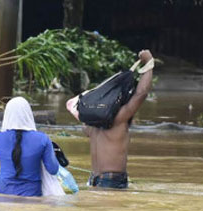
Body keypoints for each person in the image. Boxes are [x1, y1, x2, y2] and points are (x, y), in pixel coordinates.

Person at [66, 49, 154, 189]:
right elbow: (141, 93)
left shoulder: (91, 122)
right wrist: (149, 63)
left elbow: (75, 106)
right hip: (111, 180)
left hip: (94, 179)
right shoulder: (119, 118)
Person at [0, 97, 59, 197]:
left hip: (3, 193)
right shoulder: (43, 139)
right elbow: (53, 169)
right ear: (29, 114)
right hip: (32, 194)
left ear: (7, 115)